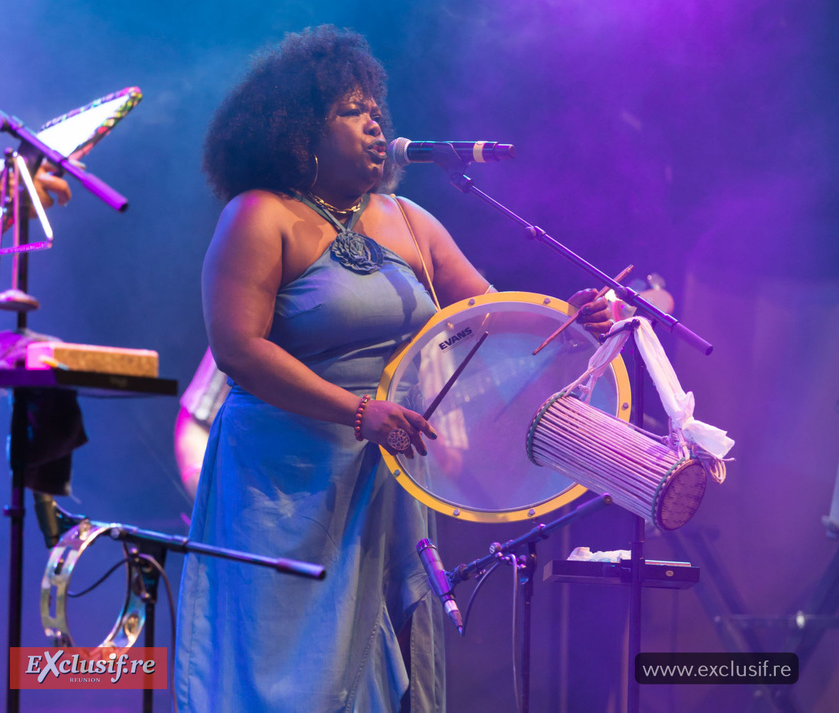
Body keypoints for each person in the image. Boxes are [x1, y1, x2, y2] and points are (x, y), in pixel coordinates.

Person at [174, 25, 611, 712]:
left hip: (390, 467)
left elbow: (492, 323)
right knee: (285, 663)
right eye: (351, 108)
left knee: (395, 641)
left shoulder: (409, 220)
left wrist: (569, 324)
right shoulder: (259, 216)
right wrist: (358, 411)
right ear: (297, 131)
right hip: (284, 478)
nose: (375, 120)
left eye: (375, 107)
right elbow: (238, 351)